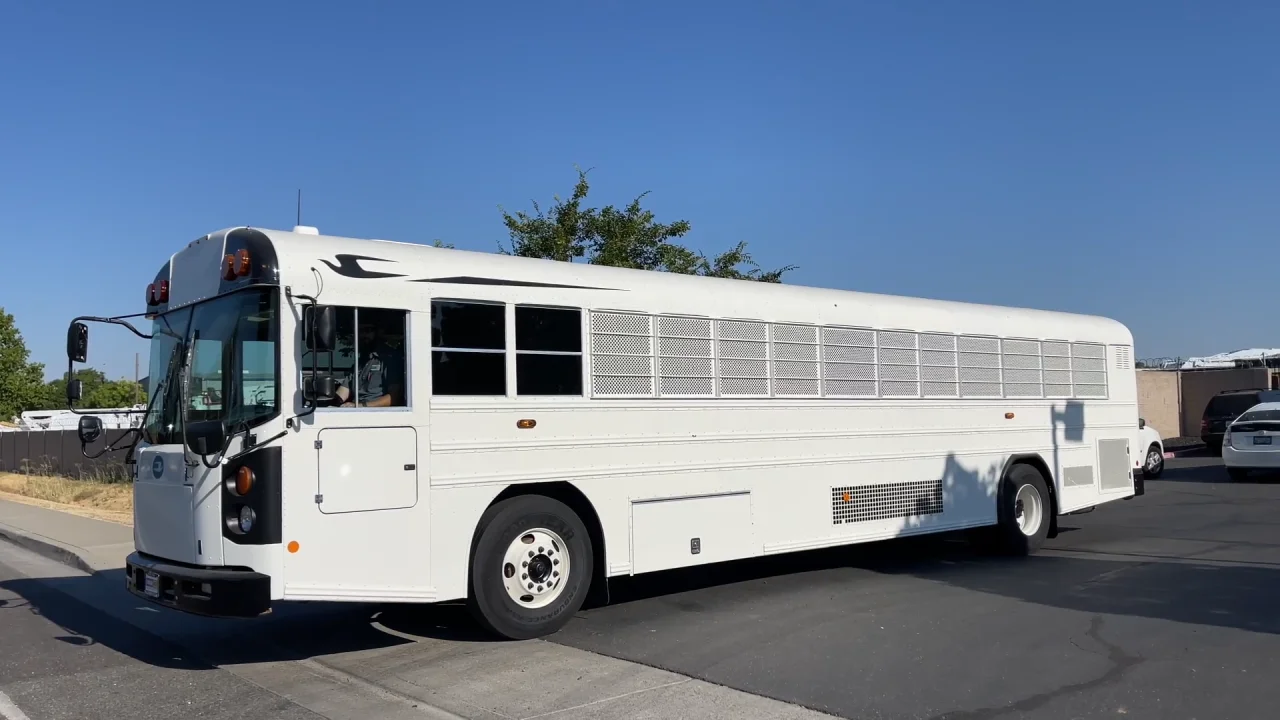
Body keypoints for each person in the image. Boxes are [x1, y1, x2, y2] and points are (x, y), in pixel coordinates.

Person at [334, 315, 404, 407]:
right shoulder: (360, 361)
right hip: (355, 411)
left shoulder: (389, 359)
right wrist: (326, 401)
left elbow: (393, 398)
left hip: (376, 415)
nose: (363, 335)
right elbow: (344, 391)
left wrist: (360, 406)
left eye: (368, 330)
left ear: (378, 332)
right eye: (360, 331)